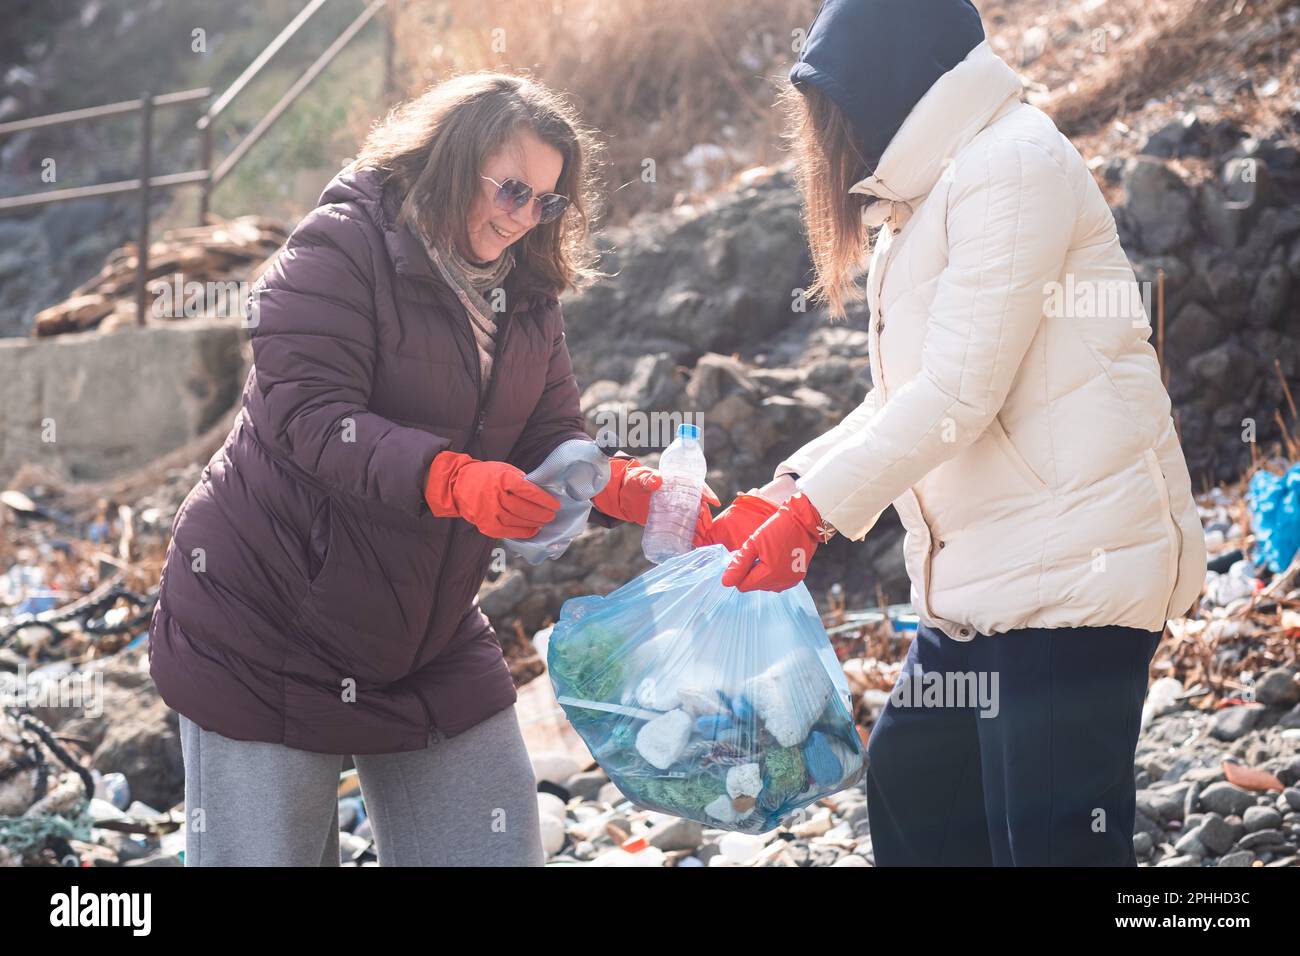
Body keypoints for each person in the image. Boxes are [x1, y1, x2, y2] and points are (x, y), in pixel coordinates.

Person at [149, 72, 712, 866]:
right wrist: (451, 480)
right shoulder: (336, 248)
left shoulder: (527, 294)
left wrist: (634, 491)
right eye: (511, 189)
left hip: (424, 631)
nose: (523, 218)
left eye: (545, 203)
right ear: (451, 161)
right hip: (264, 625)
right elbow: (308, 415)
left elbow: (549, 435)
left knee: (494, 847)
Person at [710, 0, 1206, 865]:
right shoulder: (928, 195)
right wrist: (790, 491)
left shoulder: (1013, 165)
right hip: (979, 589)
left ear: (883, 87)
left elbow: (958, 394)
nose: (825, 144)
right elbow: (904, 396)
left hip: (1074, 578)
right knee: (917, 797)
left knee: (1054, 846)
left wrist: (813, 519)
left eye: (830, 113)